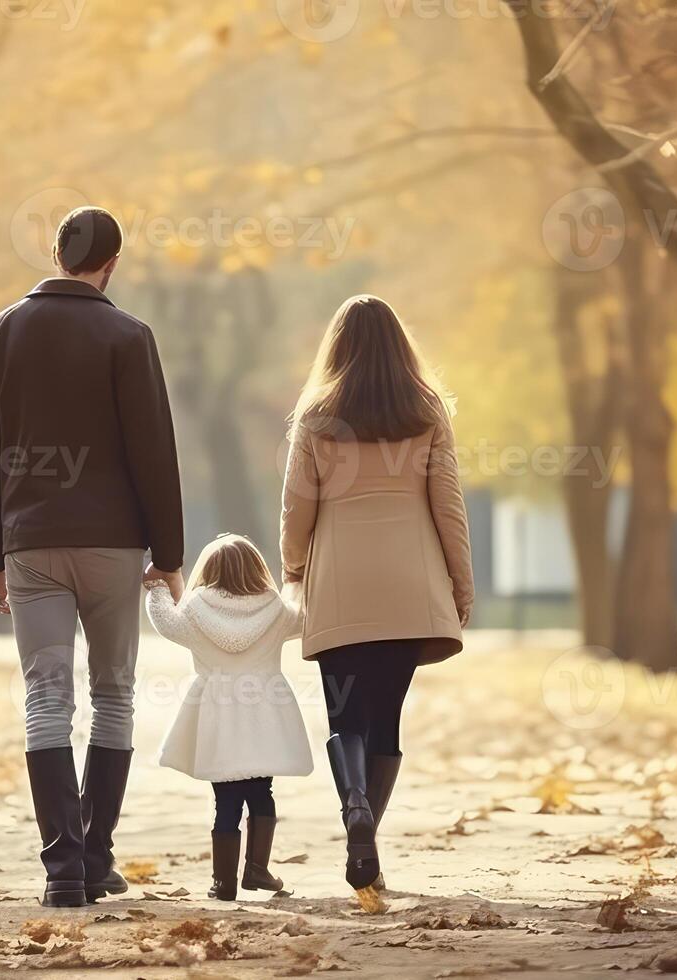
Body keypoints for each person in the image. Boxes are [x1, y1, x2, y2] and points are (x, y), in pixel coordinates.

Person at [0, 205, 185, 908]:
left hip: (28, 542)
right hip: (113, 543)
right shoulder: (128, 335)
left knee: (45, 696)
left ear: (57, 254)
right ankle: (95, 855)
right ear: (111, 264)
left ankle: (63, 869)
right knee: (114, 693)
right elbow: (153, 451)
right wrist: (170, 551)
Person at [279, 294, 474, 908]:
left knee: (345, 718)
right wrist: (461, 582)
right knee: (385, 715)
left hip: (340, 585)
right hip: (408, 588)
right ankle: (367, 850)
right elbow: (448, 505)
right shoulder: (428, 412)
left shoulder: (315, 417)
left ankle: (355, 810)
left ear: (337, 347)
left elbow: (296, 508)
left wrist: (292, 565)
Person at [144, 534, 314, 900]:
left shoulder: (193, 610)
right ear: (257, 570)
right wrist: (298, 582)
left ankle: (224, 883)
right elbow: (303, 617)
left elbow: (164, 621)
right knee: (261, 792)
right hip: (264, 711)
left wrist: (156, 586)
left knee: (226, 801)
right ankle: (257, 870)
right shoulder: (276, 610)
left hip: (217, 714)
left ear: (208, 570)